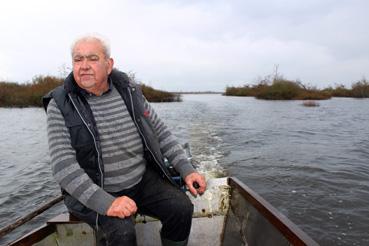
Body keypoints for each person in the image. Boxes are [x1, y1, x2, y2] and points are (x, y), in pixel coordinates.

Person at [43, 35, 206, 246]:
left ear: (109, 65)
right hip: (99, 188)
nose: (83, 66)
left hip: (141, 180)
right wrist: (107, 203)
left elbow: (161, 133)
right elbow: (63, 166)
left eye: (92, 58)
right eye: (77, 59)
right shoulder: (60, 104)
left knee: (182, 208)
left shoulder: (130, 91)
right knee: (122, 234)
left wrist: (187, 169)